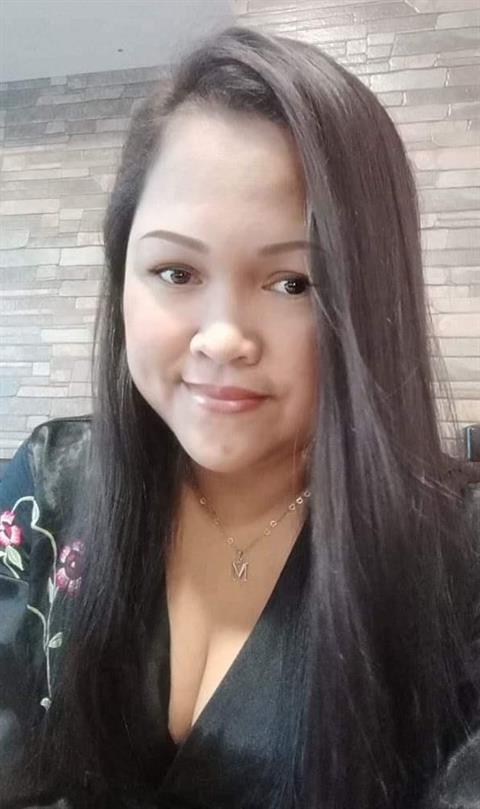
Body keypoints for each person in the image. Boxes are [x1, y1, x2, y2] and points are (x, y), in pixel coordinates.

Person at [0, 24, 479, 809]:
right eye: (175, 271)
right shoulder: (48, 488)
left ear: (370, 296)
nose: (222, 338)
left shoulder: (459, 558)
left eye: (294, 283)